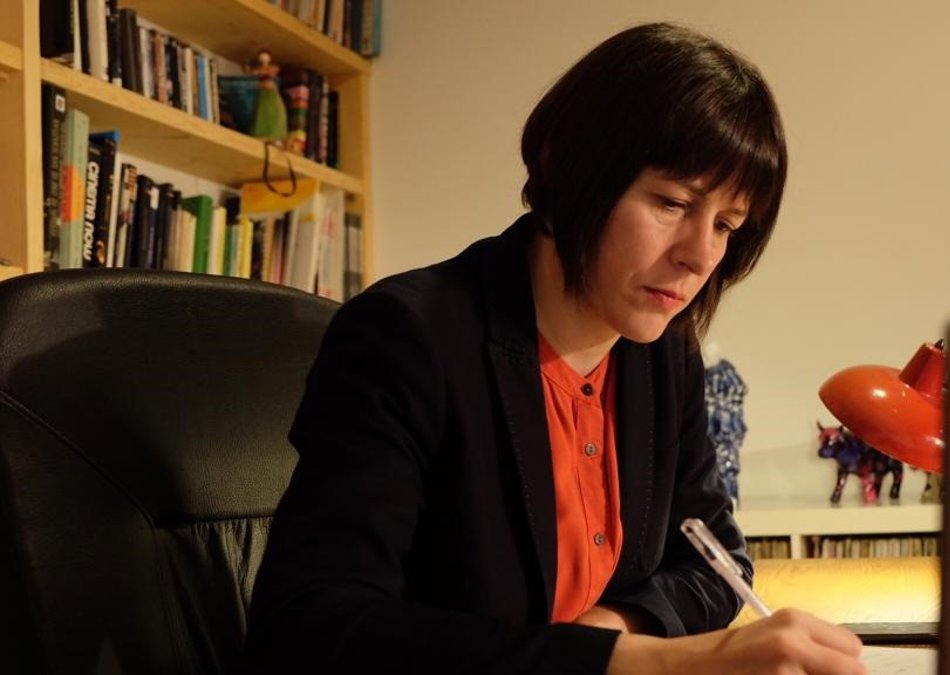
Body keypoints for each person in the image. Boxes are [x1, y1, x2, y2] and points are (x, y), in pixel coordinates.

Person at [242, 22, 866, 675]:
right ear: (575, 172)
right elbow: (312, 627)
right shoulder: (408, 336)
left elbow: (714, 562)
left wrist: (613, 627)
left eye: (727, 225)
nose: (700, 255)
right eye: (672, 202)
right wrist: (636, 662)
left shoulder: (662, 355)